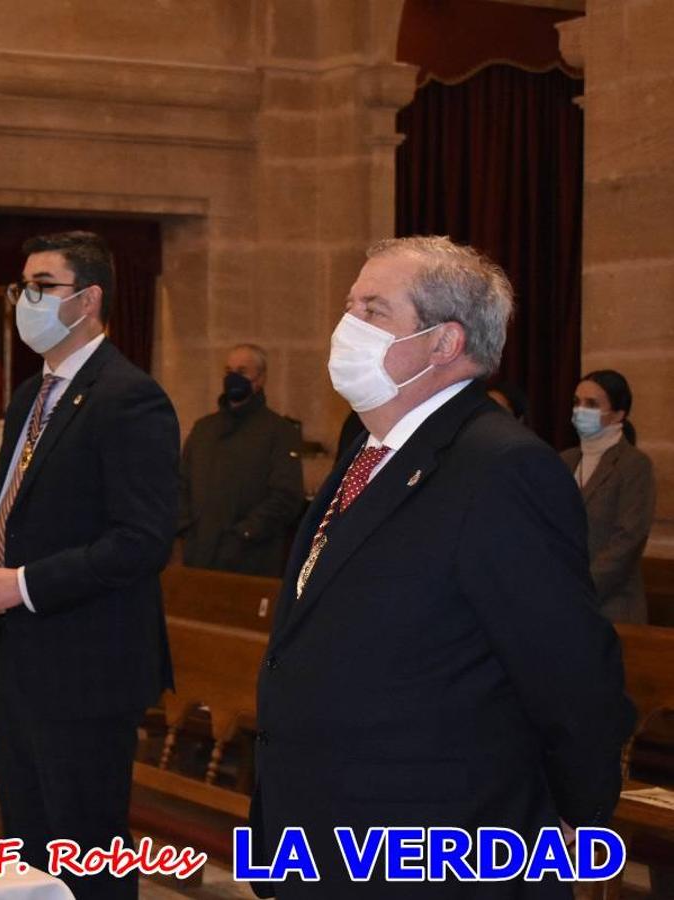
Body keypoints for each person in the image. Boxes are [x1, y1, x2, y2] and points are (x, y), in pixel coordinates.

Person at [248, 236, 634, 899]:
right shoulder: (368, 449)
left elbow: (567, 667)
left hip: (433, 847)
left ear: (444, 342)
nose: (348, 328)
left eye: (374, 309)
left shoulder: (502, 467)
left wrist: (576, 810)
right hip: (322, 832)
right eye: (349, 306)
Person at [0, 231, 178, 899]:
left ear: (89, 300)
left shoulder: (128, 397)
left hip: (86, 662)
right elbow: (14, 505)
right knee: (29, 842)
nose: (27, 299)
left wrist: (21, 583)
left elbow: (141, 539)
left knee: (85, 844)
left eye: (43, 286)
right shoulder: (31, 394)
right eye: (24, 285)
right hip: (18, 656)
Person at [178, 343, 304, 576]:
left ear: (260, 379)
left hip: (251, 558)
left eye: (242, 371)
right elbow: (181, 483)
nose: (233, 378)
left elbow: (286, 496)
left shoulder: (280, 432)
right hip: (199, 555)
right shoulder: (204, 429)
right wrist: (187, 528)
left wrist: (244, 534)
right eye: (228, 371)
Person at [560, 369, 656, 624]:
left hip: (612, 607)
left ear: (618, 413)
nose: (580, 410)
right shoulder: (566, 460)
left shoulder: (634, 465)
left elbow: (628, 540)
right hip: (563, 600)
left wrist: (580, 589)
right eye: (576, 402)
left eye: (591, 404)